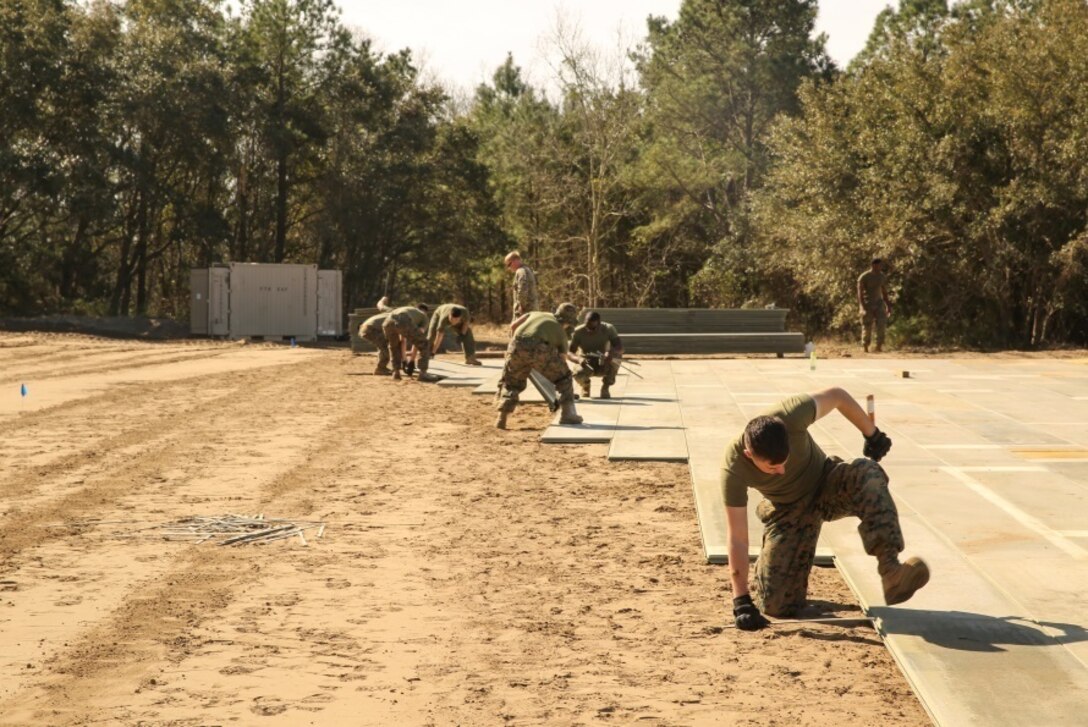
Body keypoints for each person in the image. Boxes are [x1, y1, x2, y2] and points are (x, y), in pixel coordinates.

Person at [722, 388, 929, 631]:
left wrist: (871, 434)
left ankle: (891, 571)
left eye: (784, 462)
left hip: (826, 482)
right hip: (788, 510)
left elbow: (838, 396)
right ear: (749, 454)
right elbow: (737, 537)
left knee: (868, 474)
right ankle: (768, 568)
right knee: (777, 606)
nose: (782, 471)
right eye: (773, 468)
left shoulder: (790, 414)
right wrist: (741, 600)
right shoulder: (733, 470)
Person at [495, 303, 583, 430]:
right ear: (568, 322)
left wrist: (514, 349)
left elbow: (513, 326)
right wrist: (548, 371)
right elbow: (562, 359)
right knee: (565, 378)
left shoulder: (535, 313)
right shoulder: (560, 332)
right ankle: (568, 414)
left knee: (511, 383)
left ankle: (501, 418)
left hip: (516, 344)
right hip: (539, 347)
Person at [569, 310, 624, 399]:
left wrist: (610, 353)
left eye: (593, 328)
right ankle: (585, 385)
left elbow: (620, 347)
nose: (589, 330)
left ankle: (606, 387)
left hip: (603, 360)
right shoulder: (578, 331)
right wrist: (579, 359)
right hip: (586, 361)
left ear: (599, 323)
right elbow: (570, 352)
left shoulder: (608, 328)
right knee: (577, 373)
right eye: (587, 327)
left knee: (617, 357)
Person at [381, 304, 433, 382]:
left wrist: (405, 360)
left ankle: (396, 373)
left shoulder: (409, 310)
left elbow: (403, 341)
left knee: (393, 346)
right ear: (425, 312)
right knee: (424, 343)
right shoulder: (424, 317)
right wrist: (411, 361)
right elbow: (418, 341)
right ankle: (423, 374)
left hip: (387, 322)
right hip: (403, 319)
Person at [857, 258, 892, 353]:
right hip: (868, 303)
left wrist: (888, 306)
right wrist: (862, 307)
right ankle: (865, 346)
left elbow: (884, 292)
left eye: (881, 265)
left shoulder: (882, 276)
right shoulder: (864, 277)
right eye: (879, 265)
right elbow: (860, 293)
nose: (880, 267)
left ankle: (879, 346)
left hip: (879, 303)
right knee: (867, 325)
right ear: (873, 265)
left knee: (881, 324)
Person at [504, 250, 539, 321]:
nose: (509, 268)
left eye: (509, 264)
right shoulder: (527, 270)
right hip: (531, 311)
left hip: (525, 311)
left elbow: (522, 289)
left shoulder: (521, 271)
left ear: (515, 260)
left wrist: (521, 306)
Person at [359, 310, 393, 375]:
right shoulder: (397, 317)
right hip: (370, 329)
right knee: (385, 348)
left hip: (366, 328)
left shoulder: (392, 313)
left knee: (382, 347)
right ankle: (380, 368)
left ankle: (381, 367)